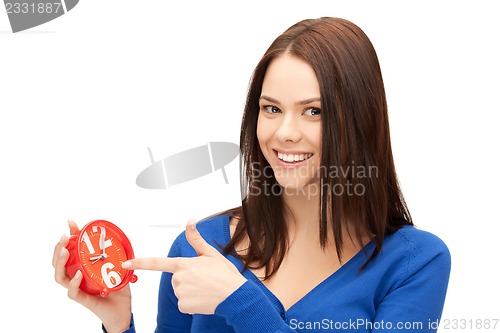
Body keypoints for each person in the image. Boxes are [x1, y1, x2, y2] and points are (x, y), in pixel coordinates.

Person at [53, 17, 451, 332]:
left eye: (314, 111)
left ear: (361, 120)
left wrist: (240, 302)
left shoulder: (415, 263)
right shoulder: (198, 248)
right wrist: (120, 324)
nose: (284, 133)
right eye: (271, 109)